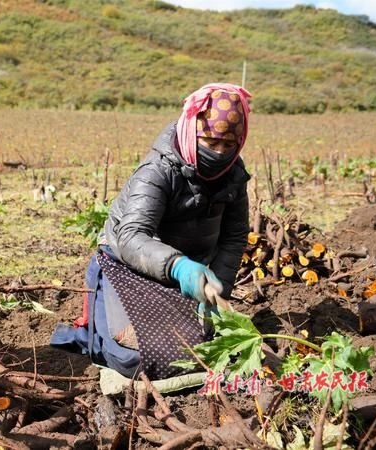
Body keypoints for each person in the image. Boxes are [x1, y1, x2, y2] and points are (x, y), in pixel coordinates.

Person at [51, 83, 252, 380]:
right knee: (138, 358)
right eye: (210, 142)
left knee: (206, 350)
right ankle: (97, 325)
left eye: (228, 146)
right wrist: (178, 266)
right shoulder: (159, 169)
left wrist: (217, 289)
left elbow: (233, 239)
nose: (219, 153)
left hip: (181, 278)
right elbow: (132, 236)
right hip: (128, 266)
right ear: (191, 131)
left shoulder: (234, 174)